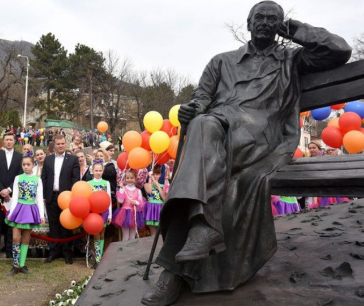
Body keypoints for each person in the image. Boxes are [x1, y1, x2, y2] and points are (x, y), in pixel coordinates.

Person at [141, 2, 352, 305]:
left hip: (261, 136)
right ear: (249, 24)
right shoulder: (222, 62)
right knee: (203, 126)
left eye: (273, 19)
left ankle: (175, 270)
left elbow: (339, 50)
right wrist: (193, 108)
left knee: (205, 147)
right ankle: (200, 233)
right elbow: (201, 98)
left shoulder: (290, 60)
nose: (266, 22)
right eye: (260, 18)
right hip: (218, 131)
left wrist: (292, 29)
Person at [41, 135, 80, 264]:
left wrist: (72, 196)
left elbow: (75, 180)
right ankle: (53, 251)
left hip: (67, 198)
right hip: (51, 196)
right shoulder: (48, 160)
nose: (60, 146)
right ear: (54, 145)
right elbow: (44, 178)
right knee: (53, 224)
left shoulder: (73, 160)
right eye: (58, 144)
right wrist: (44, 196)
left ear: (66, 144)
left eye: (62, 143)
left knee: (66, 225)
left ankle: (67, 253)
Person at [5, 155, 46, 276]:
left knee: (26, 238)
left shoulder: (38, 180)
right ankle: (15, 264)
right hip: (19, 209)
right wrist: (12, 212)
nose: (26, 166)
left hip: (31, 210)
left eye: (28, 164)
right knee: (15, 238)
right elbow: (15, 196)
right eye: (24, 164)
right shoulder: (18, 178)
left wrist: (41, 214)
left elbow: (39, 198)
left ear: (33, 165)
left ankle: (22, 264)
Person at [0, 132, 23, 258]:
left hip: (13, 197)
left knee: (11, 226)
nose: (9, 142)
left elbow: (19, 176)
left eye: (11, 139)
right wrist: (2, 191)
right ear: (3, 141)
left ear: (14, 141)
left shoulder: (19, 157)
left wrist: (9, 190)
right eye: (6, 140)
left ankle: (10, 253)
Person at [87, 162, 112, 265]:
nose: (98, 172)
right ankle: (97, 258)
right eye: (96, 170)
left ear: (103, 171)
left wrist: (110, 214)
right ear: (92, 171)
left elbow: (109, 198)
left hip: (104, 211)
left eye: (100, 170)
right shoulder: (89, 183)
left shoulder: (106, 183)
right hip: (93, 212)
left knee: (102, 234)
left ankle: (100, 258)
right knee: (96, 234)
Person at [113, 169, 144, 241]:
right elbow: (120, 200)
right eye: (127, 178)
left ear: (135, 179)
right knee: (125, 236)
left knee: (132, 237)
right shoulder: (123, 189)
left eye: (132, 178)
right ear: (125, 179)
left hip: (134, 214)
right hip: (124, 214)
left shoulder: (138, 191)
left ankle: (131, 251)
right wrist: (121, 188)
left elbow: (141, 203)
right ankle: (125, 252)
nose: (129, 180)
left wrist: (136, 202)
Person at [144, 165, 169, 236]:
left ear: (160, 175)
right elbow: (149, 191)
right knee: (153, 234)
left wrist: (158, 185)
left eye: (157, 174)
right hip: (151, 210)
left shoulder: (163, 186)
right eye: (153, 174)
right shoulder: (146, 184)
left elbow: (164, 198)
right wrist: (150, 178)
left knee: (162, 233)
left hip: (160, 209)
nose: (155, 176)